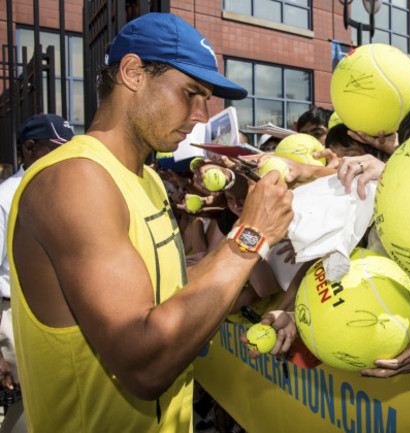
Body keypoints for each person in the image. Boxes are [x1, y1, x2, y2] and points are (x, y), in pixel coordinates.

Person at [8, 13, 293, 432]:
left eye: (206, 98)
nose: (201, 113)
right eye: (191, 93)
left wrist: (267, 288)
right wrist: (250, 236)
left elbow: (168, 292)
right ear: (133, 72)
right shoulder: (74, 179)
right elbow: (145, 365)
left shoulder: (148, 181)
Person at [0, 113, 74, 433]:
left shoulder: (64, 190)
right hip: (13, 316)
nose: (66, 158)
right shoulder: (5, 197)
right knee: (23, 415)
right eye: (56, 149)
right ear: (29, 149)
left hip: (57, 317)